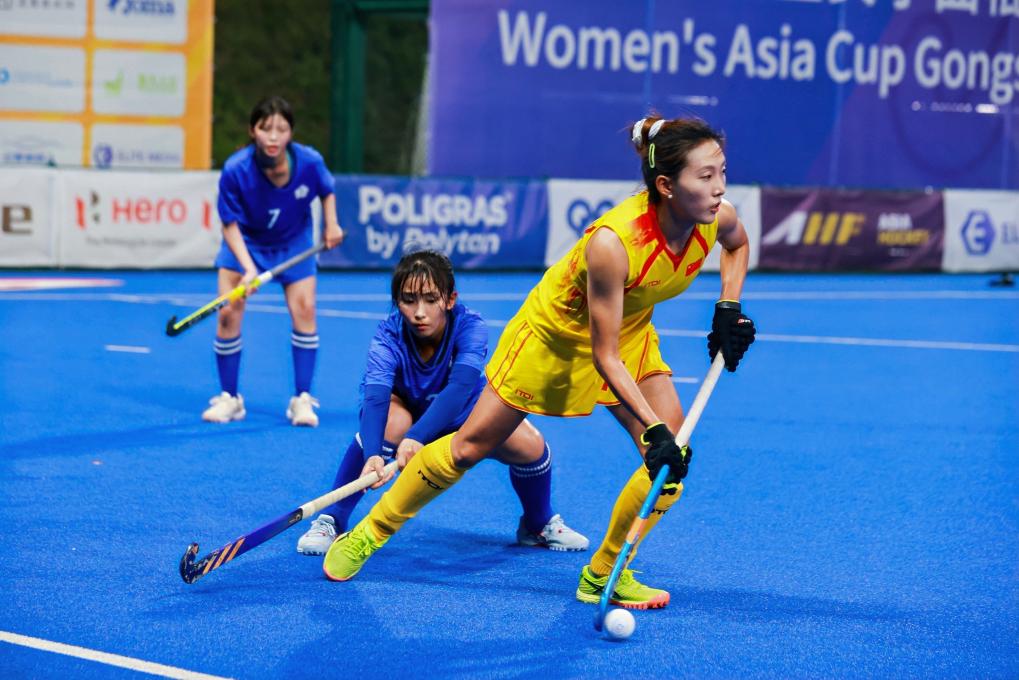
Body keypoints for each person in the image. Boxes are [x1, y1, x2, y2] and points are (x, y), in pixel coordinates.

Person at [321, 114, 756, 608]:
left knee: (670, 465)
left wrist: (728, 307)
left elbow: (737, 244)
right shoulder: (614, 243)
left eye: (722, 172)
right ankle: (370, 533)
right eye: (706, 176)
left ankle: (604, 573)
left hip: (629, 335)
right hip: (553, 340)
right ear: (666, 186)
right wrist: (653, 429)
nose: (720, 187)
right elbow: (603, 355)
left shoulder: (715, 217)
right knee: (467, 447)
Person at [296, 249, 589, 555]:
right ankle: (332, 518)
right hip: (407, 411)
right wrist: (372, 454)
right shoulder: (388, 336)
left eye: (430, 299)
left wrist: (417, 437)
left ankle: (537, 524)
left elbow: (460, 387)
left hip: (463, 412)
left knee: (531, 447)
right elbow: (375, 397)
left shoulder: (470, 326)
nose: (419, 312)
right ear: (397, 301)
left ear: (450, 300)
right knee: (390, 424)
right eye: (408, 300)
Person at [202, 96, 344, 427]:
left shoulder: (309, 162)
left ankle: (302, 399)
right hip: (246, 242)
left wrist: (332, 224)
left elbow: (327, 189)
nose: (273, 136)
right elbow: (229, 223)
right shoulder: (236, 169)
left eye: (281, 129)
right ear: (253, 131)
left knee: (305, 310)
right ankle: (230, 398)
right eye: (266, 128)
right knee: (228, 313)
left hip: (294, 243)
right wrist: (248, 267)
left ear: (291, 133)